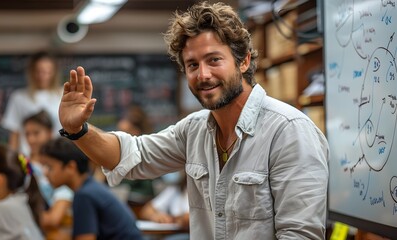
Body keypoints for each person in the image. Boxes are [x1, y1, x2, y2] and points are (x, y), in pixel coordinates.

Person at [57, 2, 329, 239]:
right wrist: (76, 130)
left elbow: (300, 235)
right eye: (192, 65)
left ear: (243, 61)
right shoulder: (194, 130)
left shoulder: (289, 132)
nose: (203, 75)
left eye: (214, 60)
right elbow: (131, 156)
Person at [40, 137, 143, 240]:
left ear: (71, 167)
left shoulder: (84, 195)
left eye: (50, 167)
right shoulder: (91, 187)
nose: (45, 173)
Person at [22, 110, 73, 237]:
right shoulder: (21, 164)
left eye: (36, 133)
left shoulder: (61, 167)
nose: (31, 139)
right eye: (27, 134)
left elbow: (54, 218)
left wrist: (14, 217)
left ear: (50, 133)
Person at [1, 51, 62, 156]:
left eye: (47, 71)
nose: (43, 76)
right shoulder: (19, 98)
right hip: (27, 158)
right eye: (39, 71)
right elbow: (14, 134)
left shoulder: (63, 96)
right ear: (32, 72)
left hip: (56, 156)